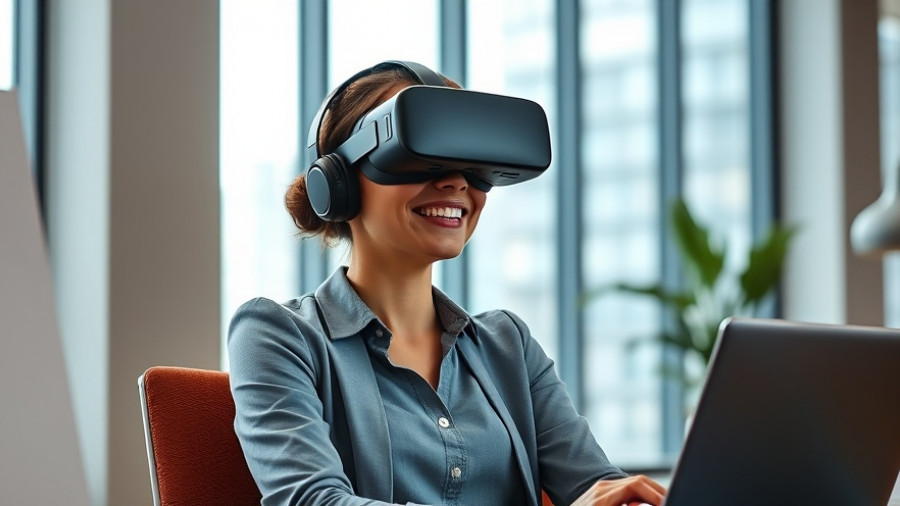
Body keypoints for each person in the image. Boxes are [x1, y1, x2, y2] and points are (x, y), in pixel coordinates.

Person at [228, 61, 667, 506]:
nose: (455, 182)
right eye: (419, 156)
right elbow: (313, 501)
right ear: (339, 182)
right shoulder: (275, 334)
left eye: (472, 163)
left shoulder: (508, 345)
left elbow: (599, 488)